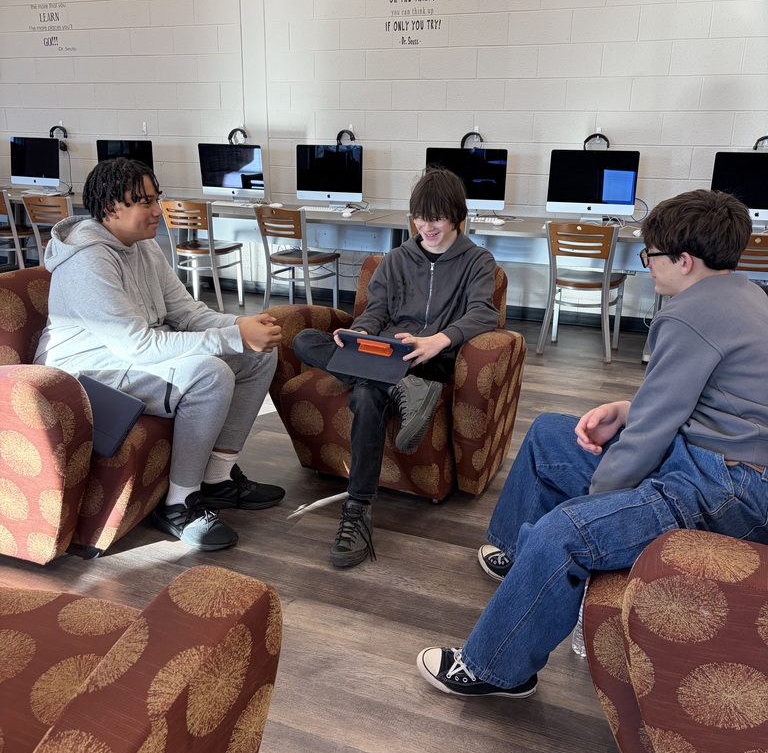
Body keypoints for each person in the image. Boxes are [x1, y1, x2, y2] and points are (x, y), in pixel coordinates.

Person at [417, 188, 768, 697]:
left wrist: (597, 504)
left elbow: (649, 437)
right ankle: (520, 558)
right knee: (550, 434)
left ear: (685, 261)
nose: (649, 266)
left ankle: (493, 669)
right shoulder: (745, 292)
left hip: (725, 485)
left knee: (563, 533)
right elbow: (698, 400)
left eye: (652, 256)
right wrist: (626, 411)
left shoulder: (689, 314)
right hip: (716, 460)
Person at [34, 157, 285, 552]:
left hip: (127, 359)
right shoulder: (87, 261)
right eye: (144, 202)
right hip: (85, 376)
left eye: (156, 198)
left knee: (258, 356)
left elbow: (186, 313)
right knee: (211, 373)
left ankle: (217, 480)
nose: (156, 210)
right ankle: (179, 505)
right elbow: (138, 345)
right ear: (110, 209)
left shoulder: (143, 246)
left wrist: (241, 325)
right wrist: (233, 336)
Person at [292, 167, 501, 568]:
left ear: (457, 214)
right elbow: (376, 312)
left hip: (433, 360)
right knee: (305, 341)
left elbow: (483, 315)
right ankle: (401, 392)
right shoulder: (395, 260)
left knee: (369, 392)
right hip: (386, 355)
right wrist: (356, 336)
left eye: (436, 217)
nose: (426, 226)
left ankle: (356, 509)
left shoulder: (478, 261)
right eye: (420, 217)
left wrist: (436, 340)